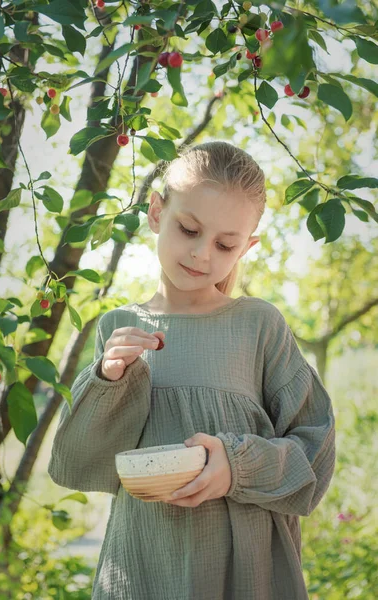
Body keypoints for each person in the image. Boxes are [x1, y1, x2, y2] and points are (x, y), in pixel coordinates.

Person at [48, 141, 336, 600]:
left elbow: (313, 455)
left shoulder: (259, 325)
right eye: (188, 229)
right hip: (143, 566)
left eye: (225, 244)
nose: (203, 255)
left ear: (248, 247)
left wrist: (236, 467)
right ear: (157, 212)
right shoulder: (119, 327)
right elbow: (79, 466)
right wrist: (106, 381)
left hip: (246, 572)